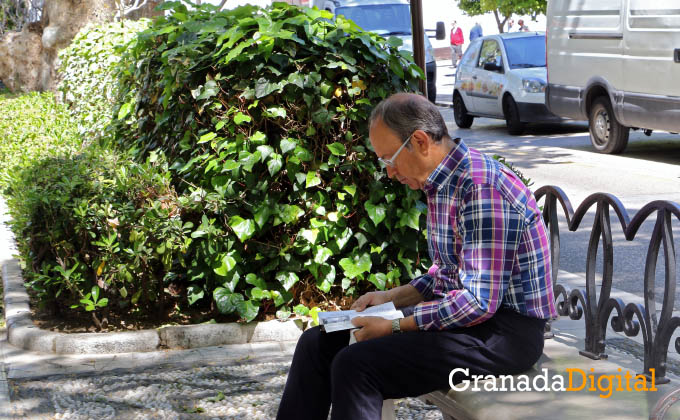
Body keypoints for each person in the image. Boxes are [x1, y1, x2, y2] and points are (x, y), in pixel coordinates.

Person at [276, 93, 558, 420]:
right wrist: (390, 298)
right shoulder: (442, 182)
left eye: (389, 159)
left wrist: (395, 326)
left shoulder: (480, 187)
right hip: (471, 318)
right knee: (317, 342)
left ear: (420, 141)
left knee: (357, 365)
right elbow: (447, 274)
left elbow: (479, 303)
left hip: (506, 334)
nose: (390, 172)